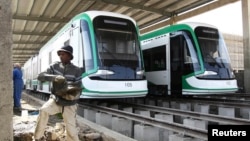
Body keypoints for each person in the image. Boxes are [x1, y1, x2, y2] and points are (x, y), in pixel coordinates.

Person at [34, 45, 82, 141]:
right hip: (56, 100)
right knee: (44, 110)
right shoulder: (54, 66)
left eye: (63, 54)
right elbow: (40, 77)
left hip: (69, 104)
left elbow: (78, 88)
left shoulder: (77, 70)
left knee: (72, 131)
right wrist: (53, 77)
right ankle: (38, 138)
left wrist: (69, 91)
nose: (60, 56)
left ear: (69, 56)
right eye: (60, 54)